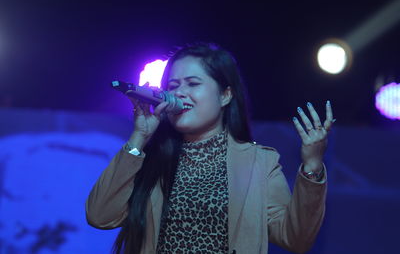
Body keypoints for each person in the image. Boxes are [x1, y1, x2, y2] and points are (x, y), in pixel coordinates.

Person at [86, 42, 333, 254]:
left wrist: (312, 165)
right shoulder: (149, 159)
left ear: (225, 95)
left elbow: (297, 238)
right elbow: (100, 215)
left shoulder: (259, 163)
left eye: (193, 83)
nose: (180, 93)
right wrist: (139, 137)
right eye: (173, 86)